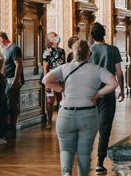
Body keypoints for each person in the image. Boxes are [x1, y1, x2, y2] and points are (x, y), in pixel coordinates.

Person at [43, 40, 118, 176]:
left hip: (65, 114)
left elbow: (46, 80)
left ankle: (66, 174)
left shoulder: (65, 68)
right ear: (89, 53)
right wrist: (98, 94)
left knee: (66, 150)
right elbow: (113, 83)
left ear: (73, 52)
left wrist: (61, 90)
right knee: (84, 153)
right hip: (88, 114)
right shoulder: (96, 69)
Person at [88, 23, 125, 175]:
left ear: (91, 35)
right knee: (105, 130)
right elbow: (119, 73)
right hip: (108, 94)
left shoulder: (88, 50)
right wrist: (122, 89)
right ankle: (99, 162)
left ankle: (84, 161)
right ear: (104, 34)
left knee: (88, 130)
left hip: (90, 95)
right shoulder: (113, 50)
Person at [0, 31, 23, 138]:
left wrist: (16, 81)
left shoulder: (14, 48)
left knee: (12, 105)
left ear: (1, 39)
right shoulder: (4, 50)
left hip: (12, 80)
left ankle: (12, 128)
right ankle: (6, 127)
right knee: (5, 104)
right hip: (5, 80)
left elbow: (19, 65)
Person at [42, 32, 66, 130]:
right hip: (51, 80)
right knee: (50, 101)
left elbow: (64, 66)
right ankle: (49, 121)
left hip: (61, 79)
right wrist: (46, 83)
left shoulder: (62, 51)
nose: (57, 36)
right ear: (50, 40)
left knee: (61, 100)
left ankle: (60, 121)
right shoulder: (47, 52)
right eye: (54, 36)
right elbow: (45, 68)